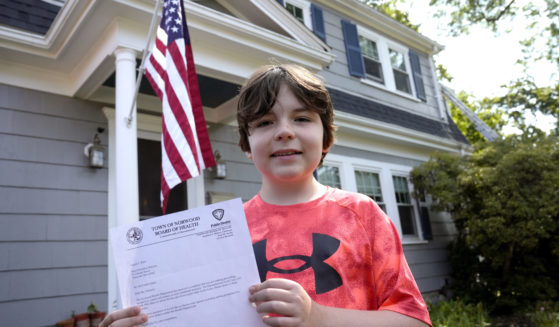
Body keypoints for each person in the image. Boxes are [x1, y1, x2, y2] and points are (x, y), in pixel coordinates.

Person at [100, 64, 431, 327]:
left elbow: (413, 319)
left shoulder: (362, 214)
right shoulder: (222, 233)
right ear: (246, 145)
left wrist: (318, 318)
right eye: (264, 122)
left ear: (326, 138)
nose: (284, 130)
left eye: (301, 118)